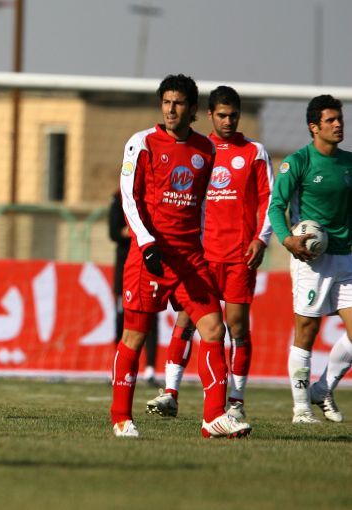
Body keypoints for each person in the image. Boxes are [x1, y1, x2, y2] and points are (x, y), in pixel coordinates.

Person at [111, 74, 252, 438]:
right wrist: (146, 243)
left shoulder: (206, 150)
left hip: (190, 259)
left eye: (178, 103)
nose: (171, 109)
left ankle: (213, 417)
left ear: (192, 110)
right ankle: (121, 418)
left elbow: (202, 206)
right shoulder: (142, 143)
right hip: (151, 256)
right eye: (166, 102)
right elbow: (129, 198)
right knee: (134, 338)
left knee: (214, 329)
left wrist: (205, 246)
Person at [146, 86, 274, 420]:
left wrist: (261, 239)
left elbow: (269, 201)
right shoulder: (200, 149)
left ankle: (236, 402)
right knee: (186, 319)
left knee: (236, 327)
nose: (228, 121)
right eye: (222, 115)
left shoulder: (255, 152)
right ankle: (170, 392)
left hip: (239, 256)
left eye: (233, 115)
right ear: (209, 115)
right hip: (201, 254)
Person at [267, 94, 352, 424]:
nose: (338, 124)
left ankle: (322, 388)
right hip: (311, 260)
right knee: (306, 331)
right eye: (330, 120)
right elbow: (276, 206)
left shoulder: (348, 163)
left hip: (346, 257)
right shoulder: (298, 162)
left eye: (339, 119)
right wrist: (287, 239)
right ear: (314, 127)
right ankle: (301, 407)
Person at [109, 189, 160, 387]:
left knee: (151, 318)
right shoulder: (118, 198)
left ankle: (150, 369)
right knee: (122, 318)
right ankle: (119, 369)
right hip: (126, 267)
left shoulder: (154, 195)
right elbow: (114, 232)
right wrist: (140, 232)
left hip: (151, 264)